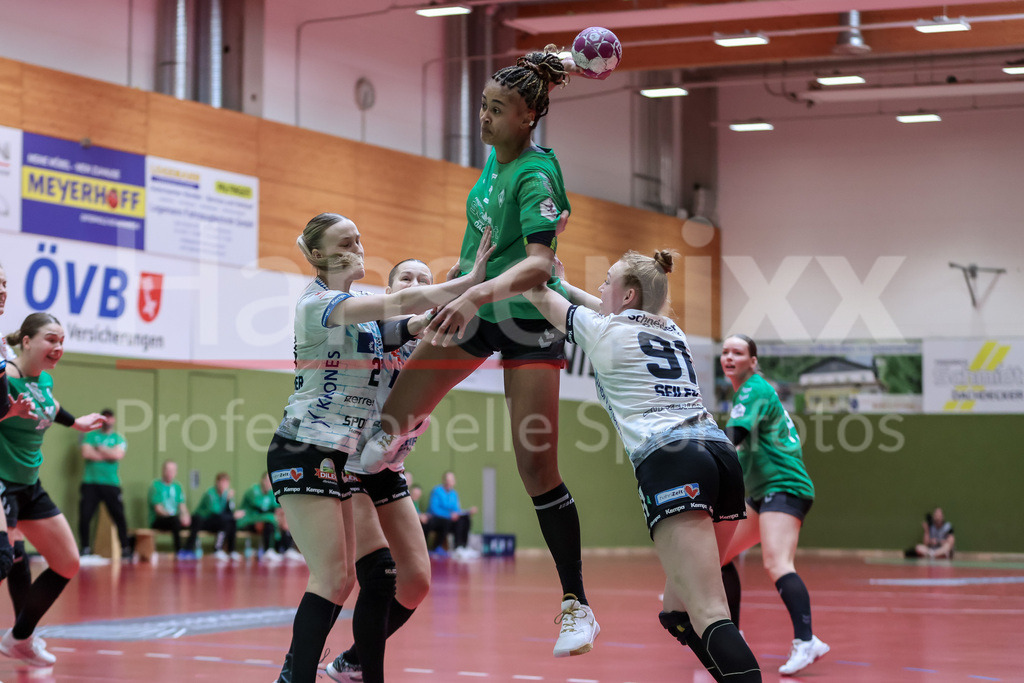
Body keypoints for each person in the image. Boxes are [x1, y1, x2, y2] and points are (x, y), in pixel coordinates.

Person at [358, 46, 601, 658]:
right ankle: (363, 555)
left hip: (524, 321)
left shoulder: (535, 173)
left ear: (528, 118)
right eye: (484, 107)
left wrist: (479, 294)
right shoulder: (493, 165)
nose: (485, 119)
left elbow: (541, 261)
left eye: (498, 110)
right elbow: (491, 245)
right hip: (474, 308)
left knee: (535, 468)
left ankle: (577, 605)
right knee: (379, 436)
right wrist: (462, 289)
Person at [270, 213, 493, 683]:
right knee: (337, 579)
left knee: (348, 580)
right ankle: (302, 674)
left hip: (344, 457)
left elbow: (407, 323)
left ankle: (324, 667)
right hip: (306, 448)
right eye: (344, 242)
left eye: (358, 237)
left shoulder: (363, 312)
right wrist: (470, 280)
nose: (357, 246)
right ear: (316, 256)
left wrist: (469, 294)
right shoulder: (320, 304)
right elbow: (401, 303)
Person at [522, 250, 760, 681]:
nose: (598, 289)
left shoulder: (601, 331)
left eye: (606, 280)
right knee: (677, 611)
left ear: (628, 294)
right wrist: (566, 283)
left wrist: (530, 265)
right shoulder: (672, 329)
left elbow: (536, 291)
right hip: (720, 456)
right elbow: (597, 306)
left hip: (673, 461)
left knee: (708, 610)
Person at [326, 258, 443, 683]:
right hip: (350, 464)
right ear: (391, 289)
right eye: (406, 279)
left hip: (388, 469)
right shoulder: (369, 326)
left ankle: (351, 660)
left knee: (416, 582)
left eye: (425, 281)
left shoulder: (436, 341)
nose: (416, 285)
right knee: (379, 573)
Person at [0, 312, 107, 668]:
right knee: (6, 560)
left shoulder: (41, 380)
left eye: (61, 341)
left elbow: (50, 405)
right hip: (3, 483)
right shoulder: (7, 376)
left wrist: (76, 423)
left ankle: (20, 638)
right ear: (27, 341)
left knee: (66, 562)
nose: (58, 347)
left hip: (30, 484)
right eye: (50, 339)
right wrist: (6, 413)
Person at [719, 334, 829, 676]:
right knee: (718, 556)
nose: (729, 357)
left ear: (753, 361)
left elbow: (732, 440)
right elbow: (738, 448)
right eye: (725, 352)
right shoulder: (746, 393)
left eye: (738, 352)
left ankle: (806, 641)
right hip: (762, 491)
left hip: (784, 486)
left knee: (777, 563)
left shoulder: (753, 388)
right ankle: (731, 637)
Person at [78, 408, 130, 560]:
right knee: (85, 515)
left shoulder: (118, 438)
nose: (107, 421)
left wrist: (100, 449)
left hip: (111, 484)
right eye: (105, 418)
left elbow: (118, 454)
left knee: (119, 516)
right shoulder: (90, 435)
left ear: (113, 420)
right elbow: (86, 453)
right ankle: (85, 547)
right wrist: (109, 455)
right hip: (90, 482)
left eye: (110, 418)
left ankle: (125, 548)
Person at [185, 472, 243, 562]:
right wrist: (230, 510)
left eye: (226, 482)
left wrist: (229, 503)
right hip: (204, 520)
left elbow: (229, 511)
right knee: (226, 520)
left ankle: (231, 550)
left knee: (232, 522)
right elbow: (216, 512)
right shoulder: (210, 494)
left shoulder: (227, 495)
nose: (224, 485)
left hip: (217, 521)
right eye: (222, 482)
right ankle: (217, 549)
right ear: (217, 482)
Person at [424, 471, 478, 558]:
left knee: (465, 519)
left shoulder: (454, 494)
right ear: (444, 480)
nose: (449, 482)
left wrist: (467, 512)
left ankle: (462, 547)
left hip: (450, 520)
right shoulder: (437, 491)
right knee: (448, 521)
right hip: (438, 520)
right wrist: (450, 515)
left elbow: (457, 510)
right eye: (447, 479)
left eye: (451, 480)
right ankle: (443, 547)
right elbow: (435, 509)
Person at [148, 459, 191, 558]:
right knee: (175, 520)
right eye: (168, 470)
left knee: (195, 520)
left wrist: (186, 516)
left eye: (172, 470)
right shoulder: (156, 485)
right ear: (163, 471)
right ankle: (179, 550)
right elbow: (158, 509)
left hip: (174, 520)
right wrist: (173, 516)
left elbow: (182, 506)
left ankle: (189, 549)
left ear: (176, 472)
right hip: (158, 520)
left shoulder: (177, 487)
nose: (170, 473)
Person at [239, 472, 282, 561]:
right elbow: (261, 507)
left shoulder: (271, 492)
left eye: (271, 481)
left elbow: (276, 506)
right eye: (267, 480)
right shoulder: (253, 491)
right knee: (269, 522)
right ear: (262, 481)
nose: (269, 484)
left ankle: (284, 549)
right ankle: (268, 550)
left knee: (279, 519)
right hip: (247, 520)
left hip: (261, 519)